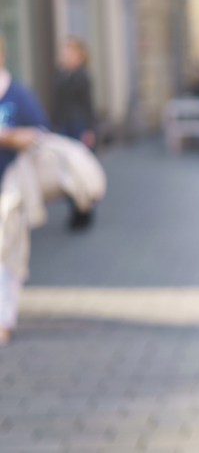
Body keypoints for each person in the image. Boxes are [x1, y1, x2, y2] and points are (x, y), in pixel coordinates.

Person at [0, 30, 49, 345]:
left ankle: (3, 319)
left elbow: (42, 135)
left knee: (5, 255)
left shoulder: (17, 94)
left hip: (8, 188)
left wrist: (9, 137)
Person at [53, 36, 96, 229]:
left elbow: (88, 106)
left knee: (80, 169)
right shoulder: (61, 75)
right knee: (66, 170)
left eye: (69, 51)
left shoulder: (82, 76)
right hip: (64, 126)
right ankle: (74, 209)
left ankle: (85, 210)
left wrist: (89, 129)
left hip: (77, 125)